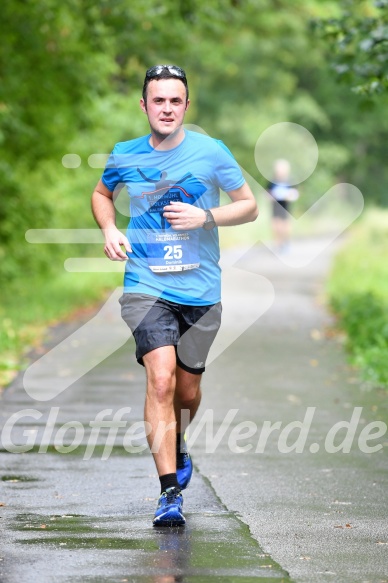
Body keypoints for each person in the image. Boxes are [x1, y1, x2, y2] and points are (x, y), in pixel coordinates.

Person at [91, 64, 258, 526]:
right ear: (144, 105)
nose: (167, 108)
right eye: (158, 100)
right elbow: (102, 193)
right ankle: (169, 495)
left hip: (201, 290)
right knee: (160, 379)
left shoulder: (212, 152)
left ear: (187, 105)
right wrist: (108, 228)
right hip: (146, 284)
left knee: (187, 390)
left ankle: (178, 438)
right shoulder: (125, 154)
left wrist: (205, 217)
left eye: (175, 100)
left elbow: (249, 206)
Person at [266, 159, 299, 253]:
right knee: (275, 226)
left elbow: (295, 193)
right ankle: (277, 244)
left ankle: (286, 243)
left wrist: (289, 196)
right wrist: (270, 196)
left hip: (285, 206)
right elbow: (267, 192)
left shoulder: (290, 181)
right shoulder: (272, 182)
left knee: (285, 225)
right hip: (275, 206)